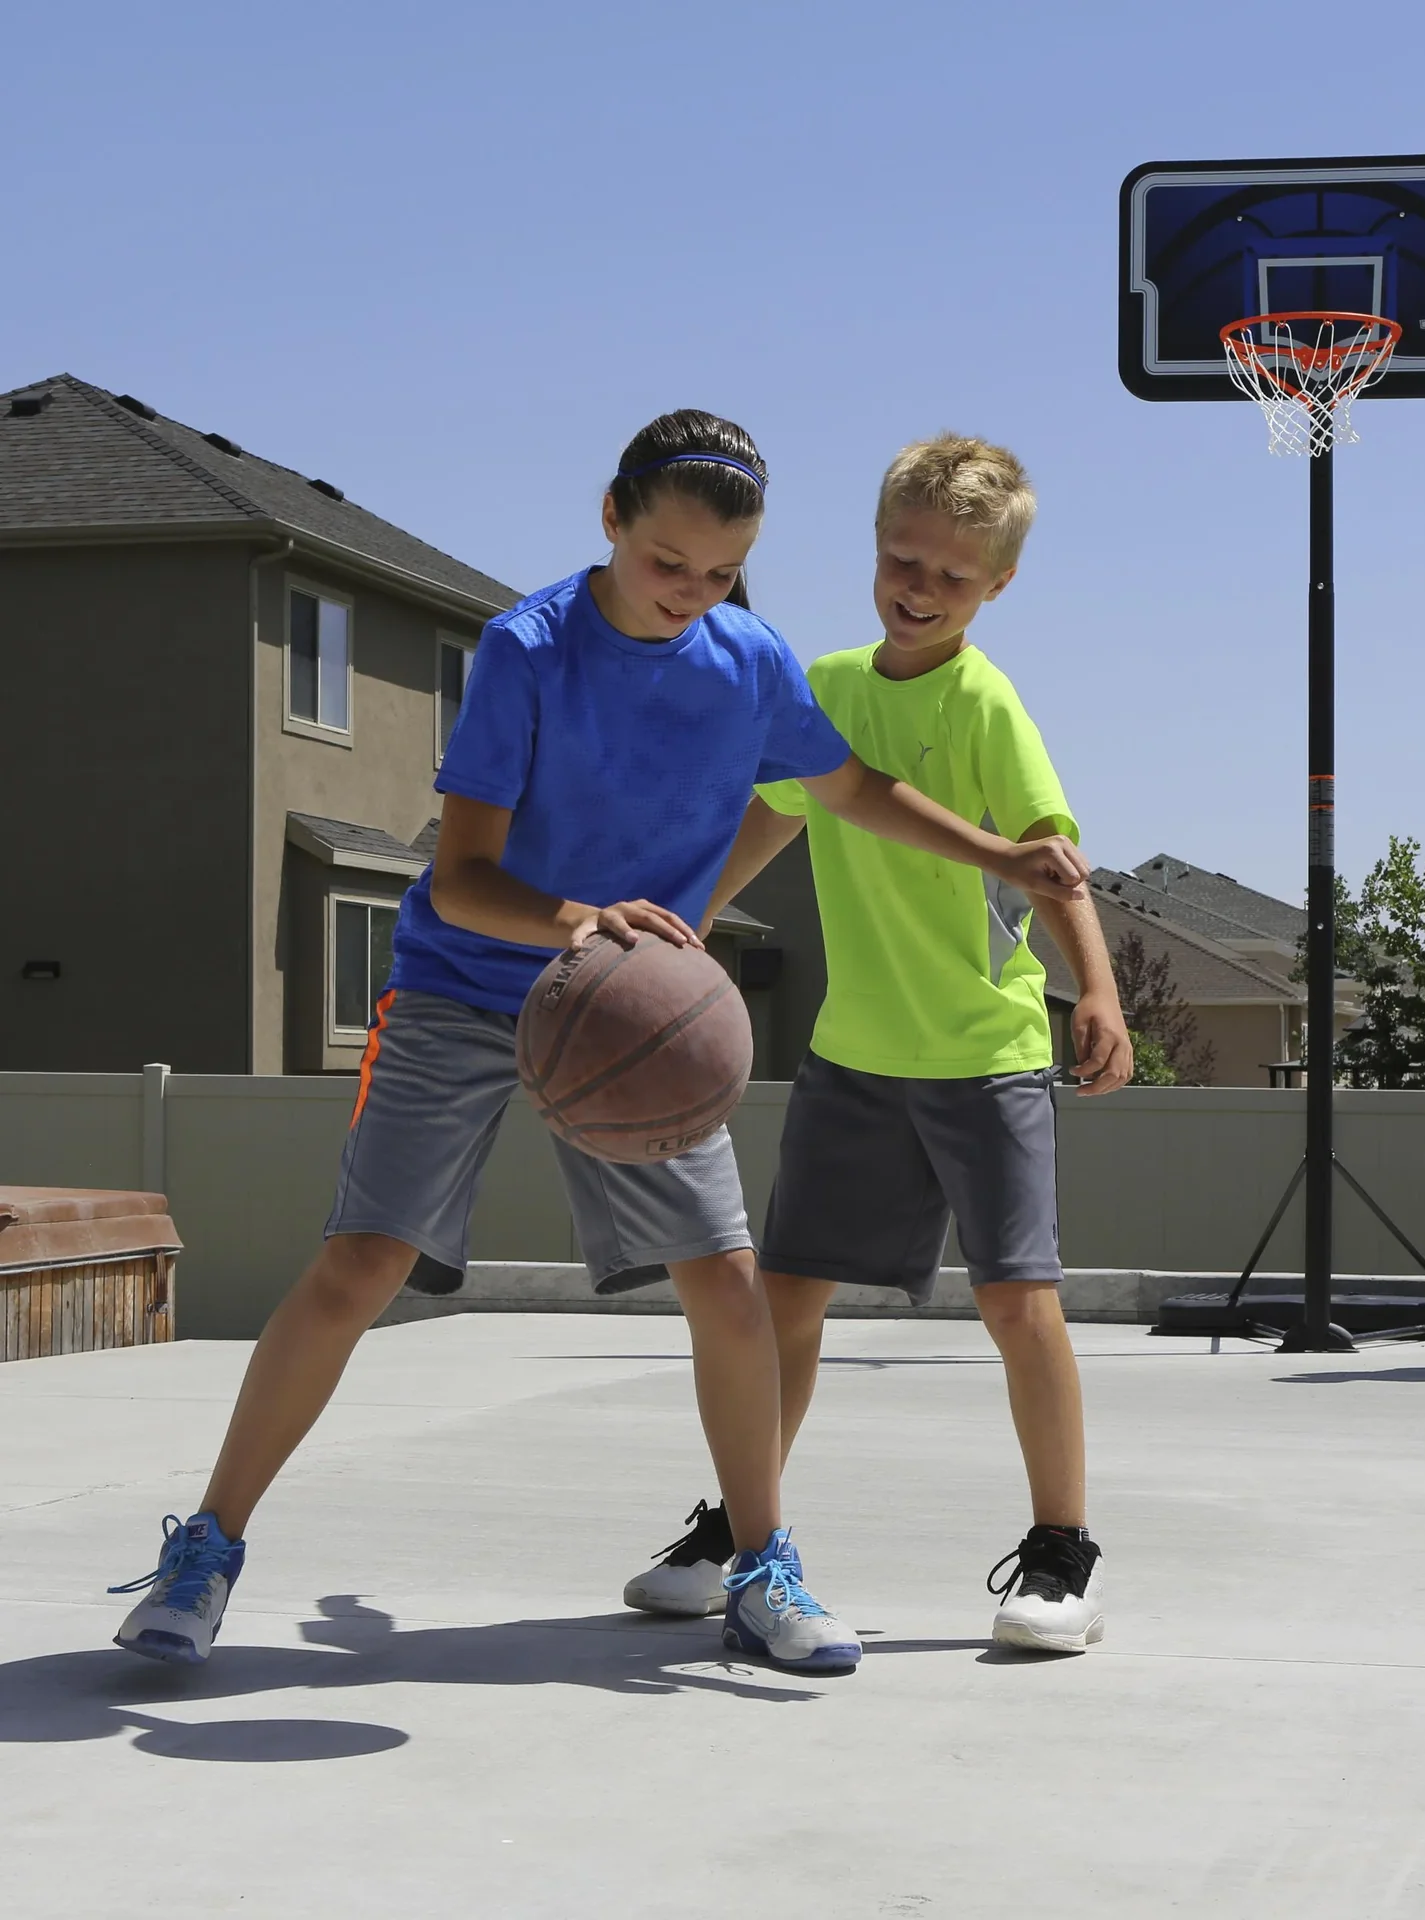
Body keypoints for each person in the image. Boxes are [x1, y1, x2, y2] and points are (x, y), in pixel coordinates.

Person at [110, 410, 1090, 1674]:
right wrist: (580, 919)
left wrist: (1000, 851)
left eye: (721, 574)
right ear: (614, 520)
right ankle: (207, 1548)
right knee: (360, 1267)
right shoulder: (529, 649)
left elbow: (850, 791)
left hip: (635, 1017)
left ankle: (762, 1567)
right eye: (668, 562)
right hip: (469, 988)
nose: (691, 593)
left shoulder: (748, 662)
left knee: (728, 1284)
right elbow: (459, 878)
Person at [625, 434, 1130, 1654]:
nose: (919, 585)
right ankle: (748, 1534)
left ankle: (1062, 1554)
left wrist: (1099, 995)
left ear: (995, 588)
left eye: (953, 577)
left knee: (1019, 1304)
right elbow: (772, 814)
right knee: (784, 1299)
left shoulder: (986, 707)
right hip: (856, 1055)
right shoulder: (833, 686)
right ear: (874, 547)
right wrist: (685, 922)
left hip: (985, 1053)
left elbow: (1051, 862)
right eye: (903, 558)